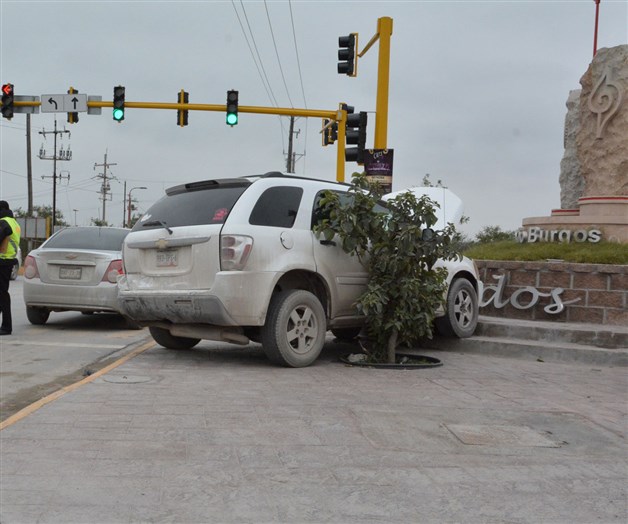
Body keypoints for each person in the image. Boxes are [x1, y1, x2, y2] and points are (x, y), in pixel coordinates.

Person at [0, 200, 21, 335]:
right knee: (1, 294)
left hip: (2, 261)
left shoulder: (3, 221)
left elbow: (5, 231)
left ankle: (7, 327)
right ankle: (6, 326)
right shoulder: (14, 222)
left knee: (2, 294)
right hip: (8, 261)